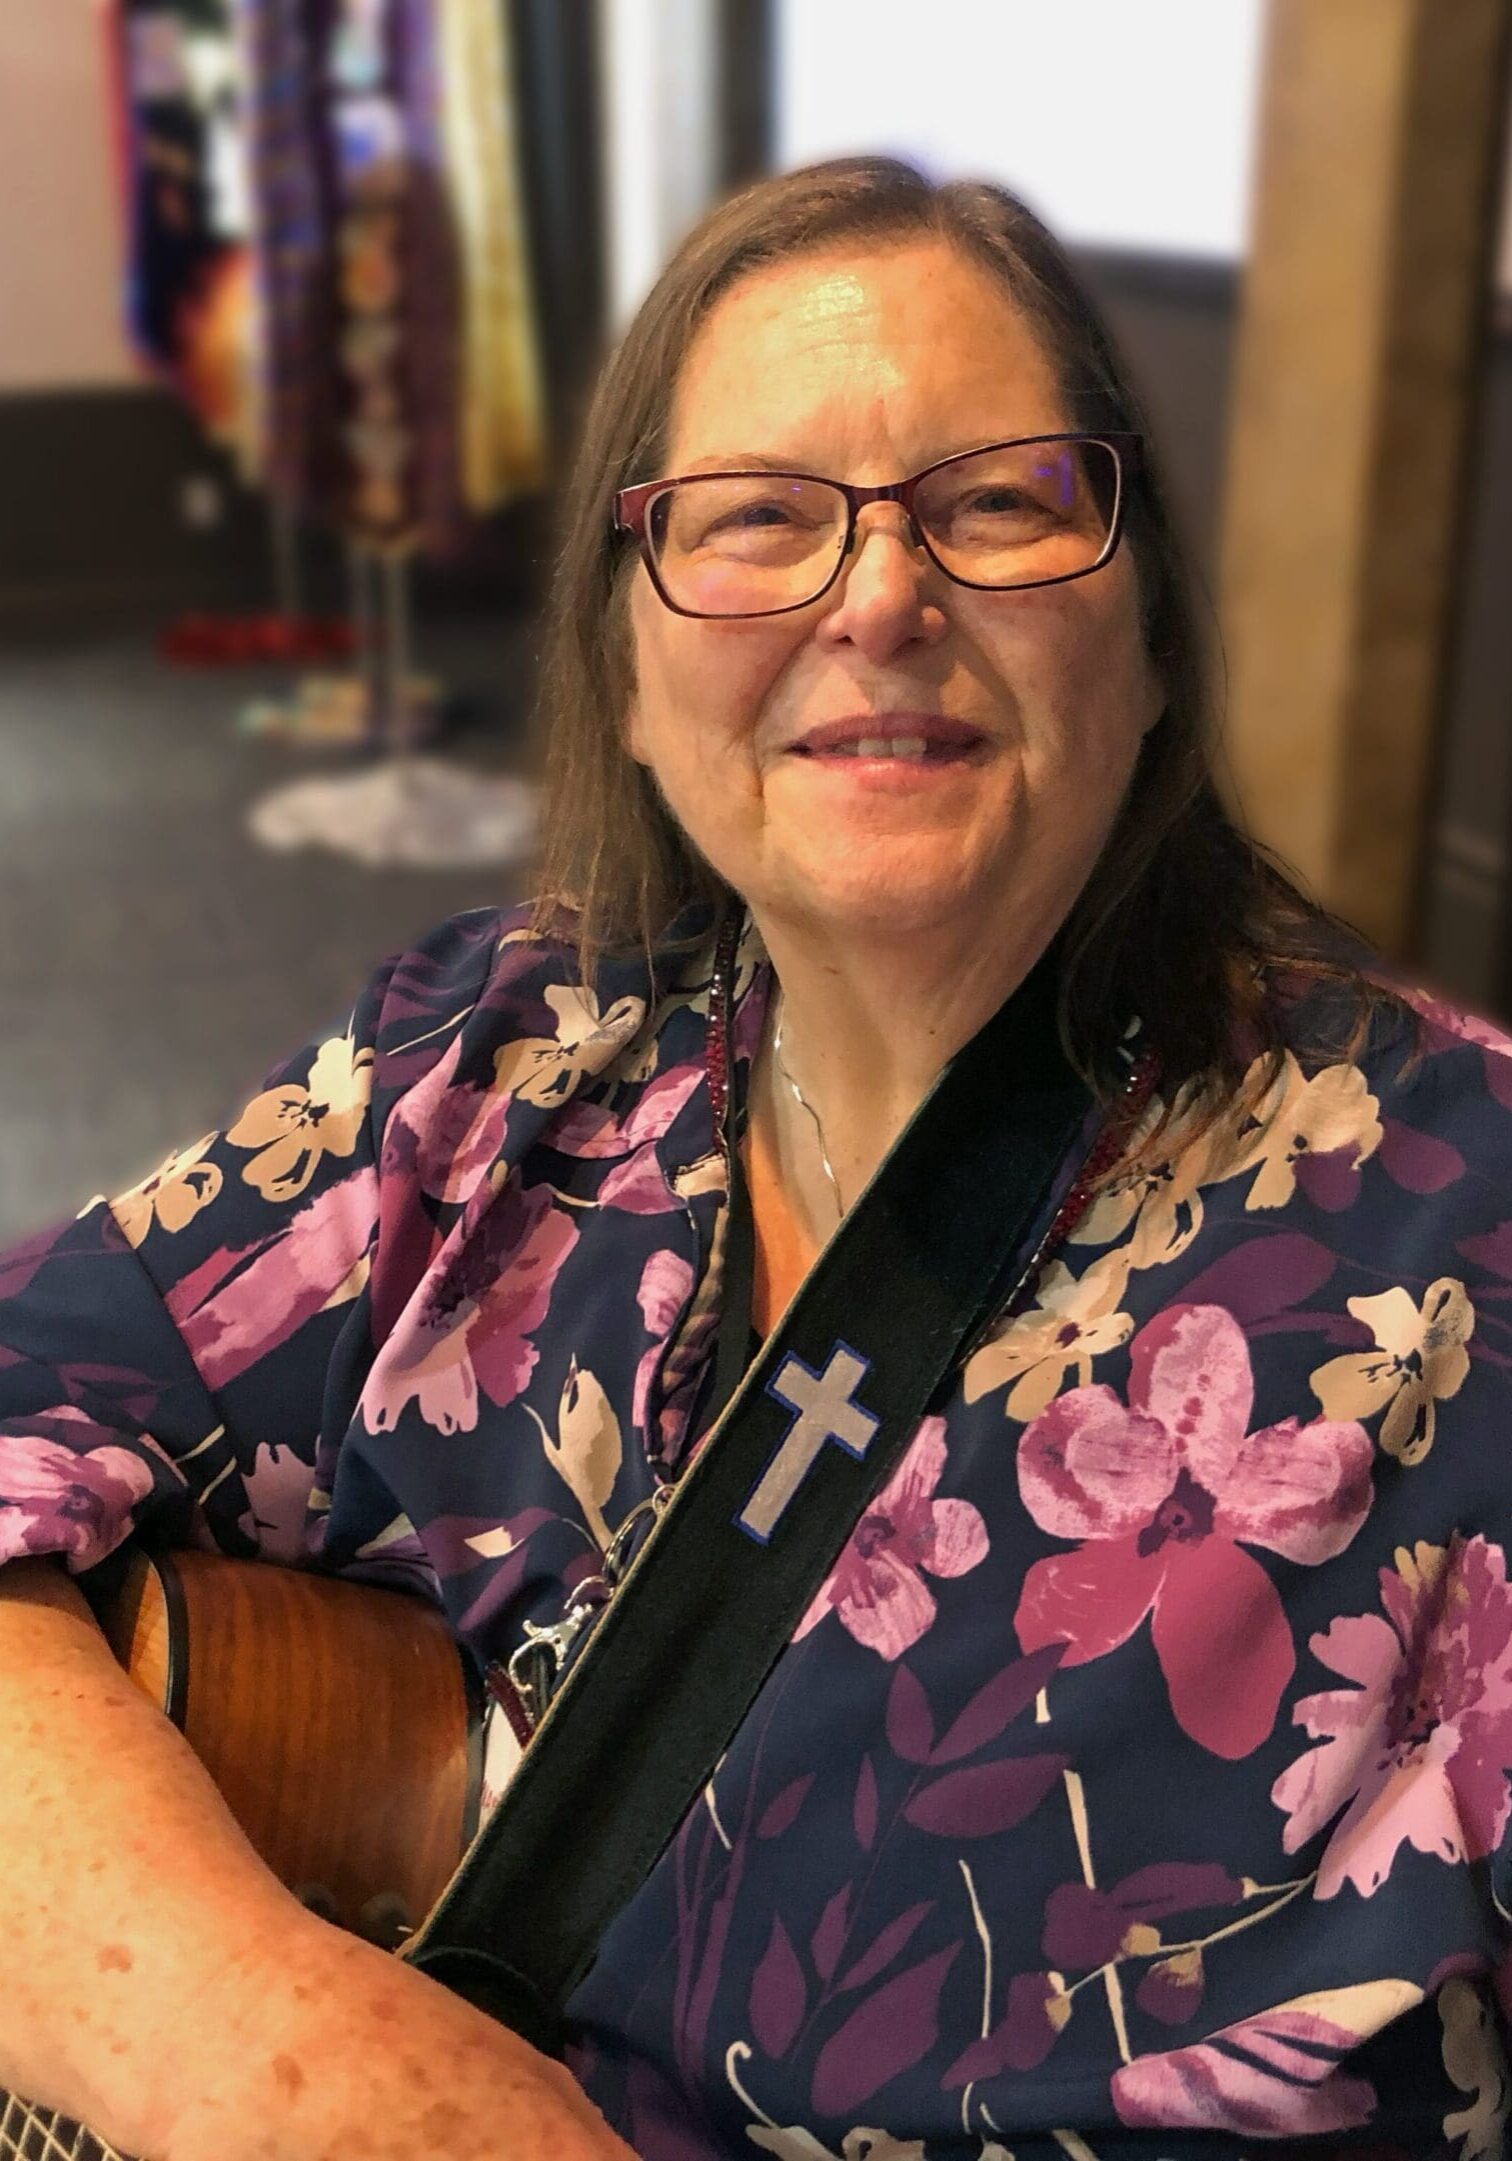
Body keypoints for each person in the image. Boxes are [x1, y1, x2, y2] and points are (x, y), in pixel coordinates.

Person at [1, 155, 1509, 2161]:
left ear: (1147, 648)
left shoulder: (1458, 1246)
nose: (877, 595)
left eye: (994, 502)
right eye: (757, 521)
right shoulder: (495, 1068)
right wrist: (261, 2049)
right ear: (631, 672)